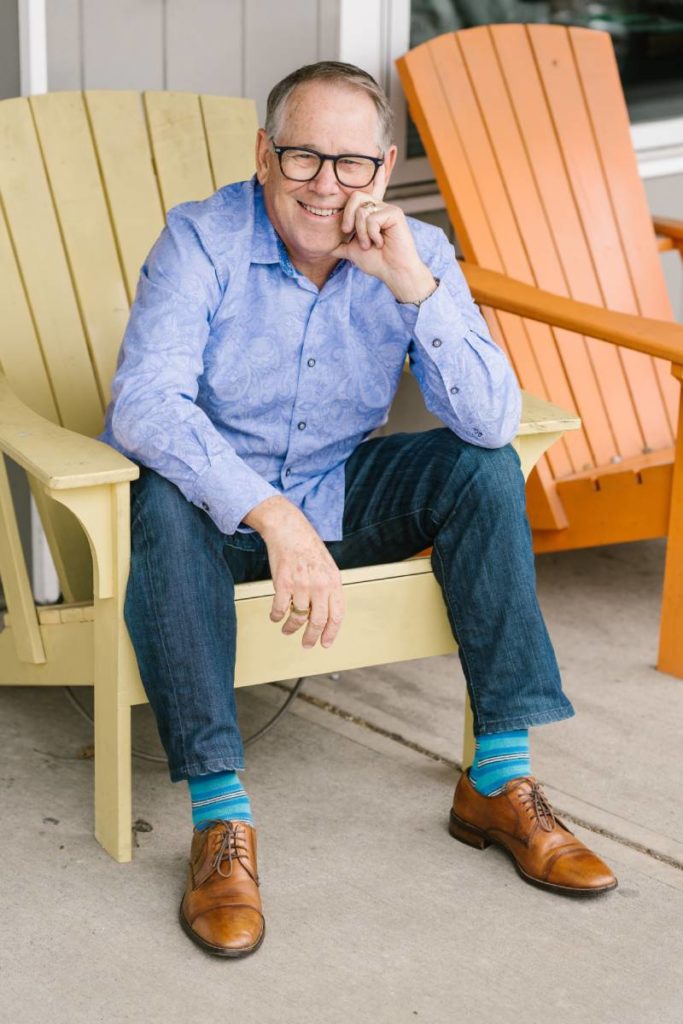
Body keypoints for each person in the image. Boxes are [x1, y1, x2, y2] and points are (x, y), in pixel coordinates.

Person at [101, 60, 617, 959]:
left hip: (340, 494)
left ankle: (499, 779)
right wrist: (273, 514)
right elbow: (145, 406)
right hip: (215, 518)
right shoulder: (201, 239)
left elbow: (490, 420)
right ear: (264, 155)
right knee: (160, 494)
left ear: (381, 169)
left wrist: (412, 287)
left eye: (350, 165)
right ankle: (220, 827)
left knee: (481, 465)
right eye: (302, 158)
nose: (325, 187)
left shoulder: (414, 252)